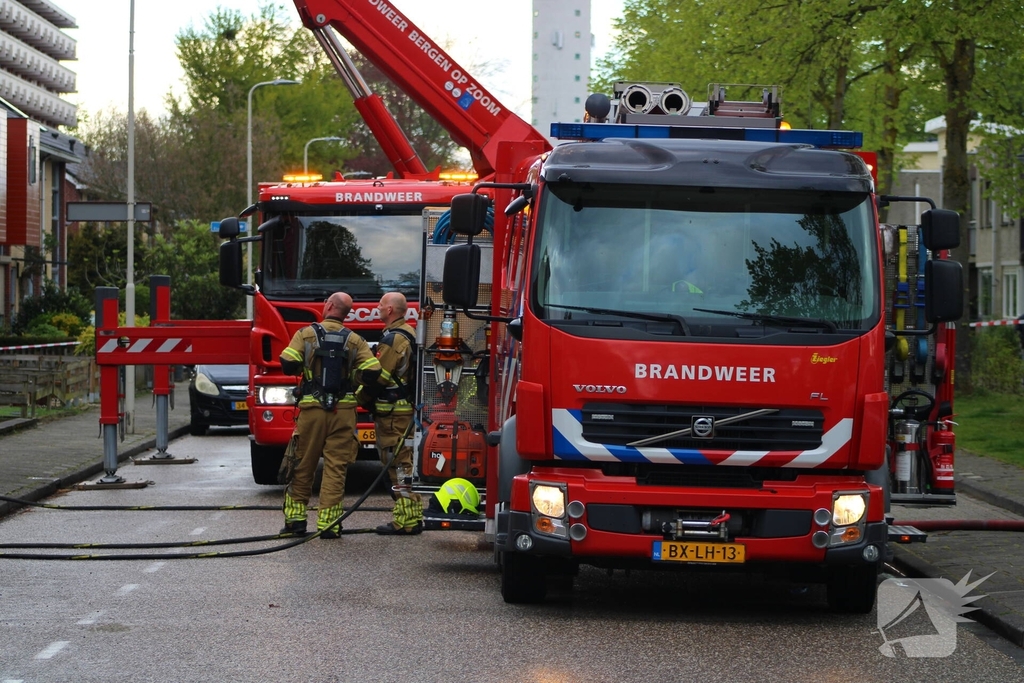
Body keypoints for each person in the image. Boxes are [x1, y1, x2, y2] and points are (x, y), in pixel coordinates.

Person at [278, 292, 383, 539]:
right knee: (336, 468)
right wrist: (352, 379)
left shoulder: (305, 334)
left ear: (329, 306)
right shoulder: (355, 340)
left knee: (302, 463)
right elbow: (373, 371)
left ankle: (295, 522)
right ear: (346, 313)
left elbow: (287, 363)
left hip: (312, 411)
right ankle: (329, 525)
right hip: (344, 412)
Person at [362, 291, 424, 535]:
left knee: (397, 465)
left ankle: (405, 521)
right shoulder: (408, 333)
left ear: (389, 310)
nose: (376, 308)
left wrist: (361, 398)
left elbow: (380, 376)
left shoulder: (393, 340)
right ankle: (412, 517)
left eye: (380, 305)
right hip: (402, 412)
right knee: (404, 463)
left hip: (392, 416)